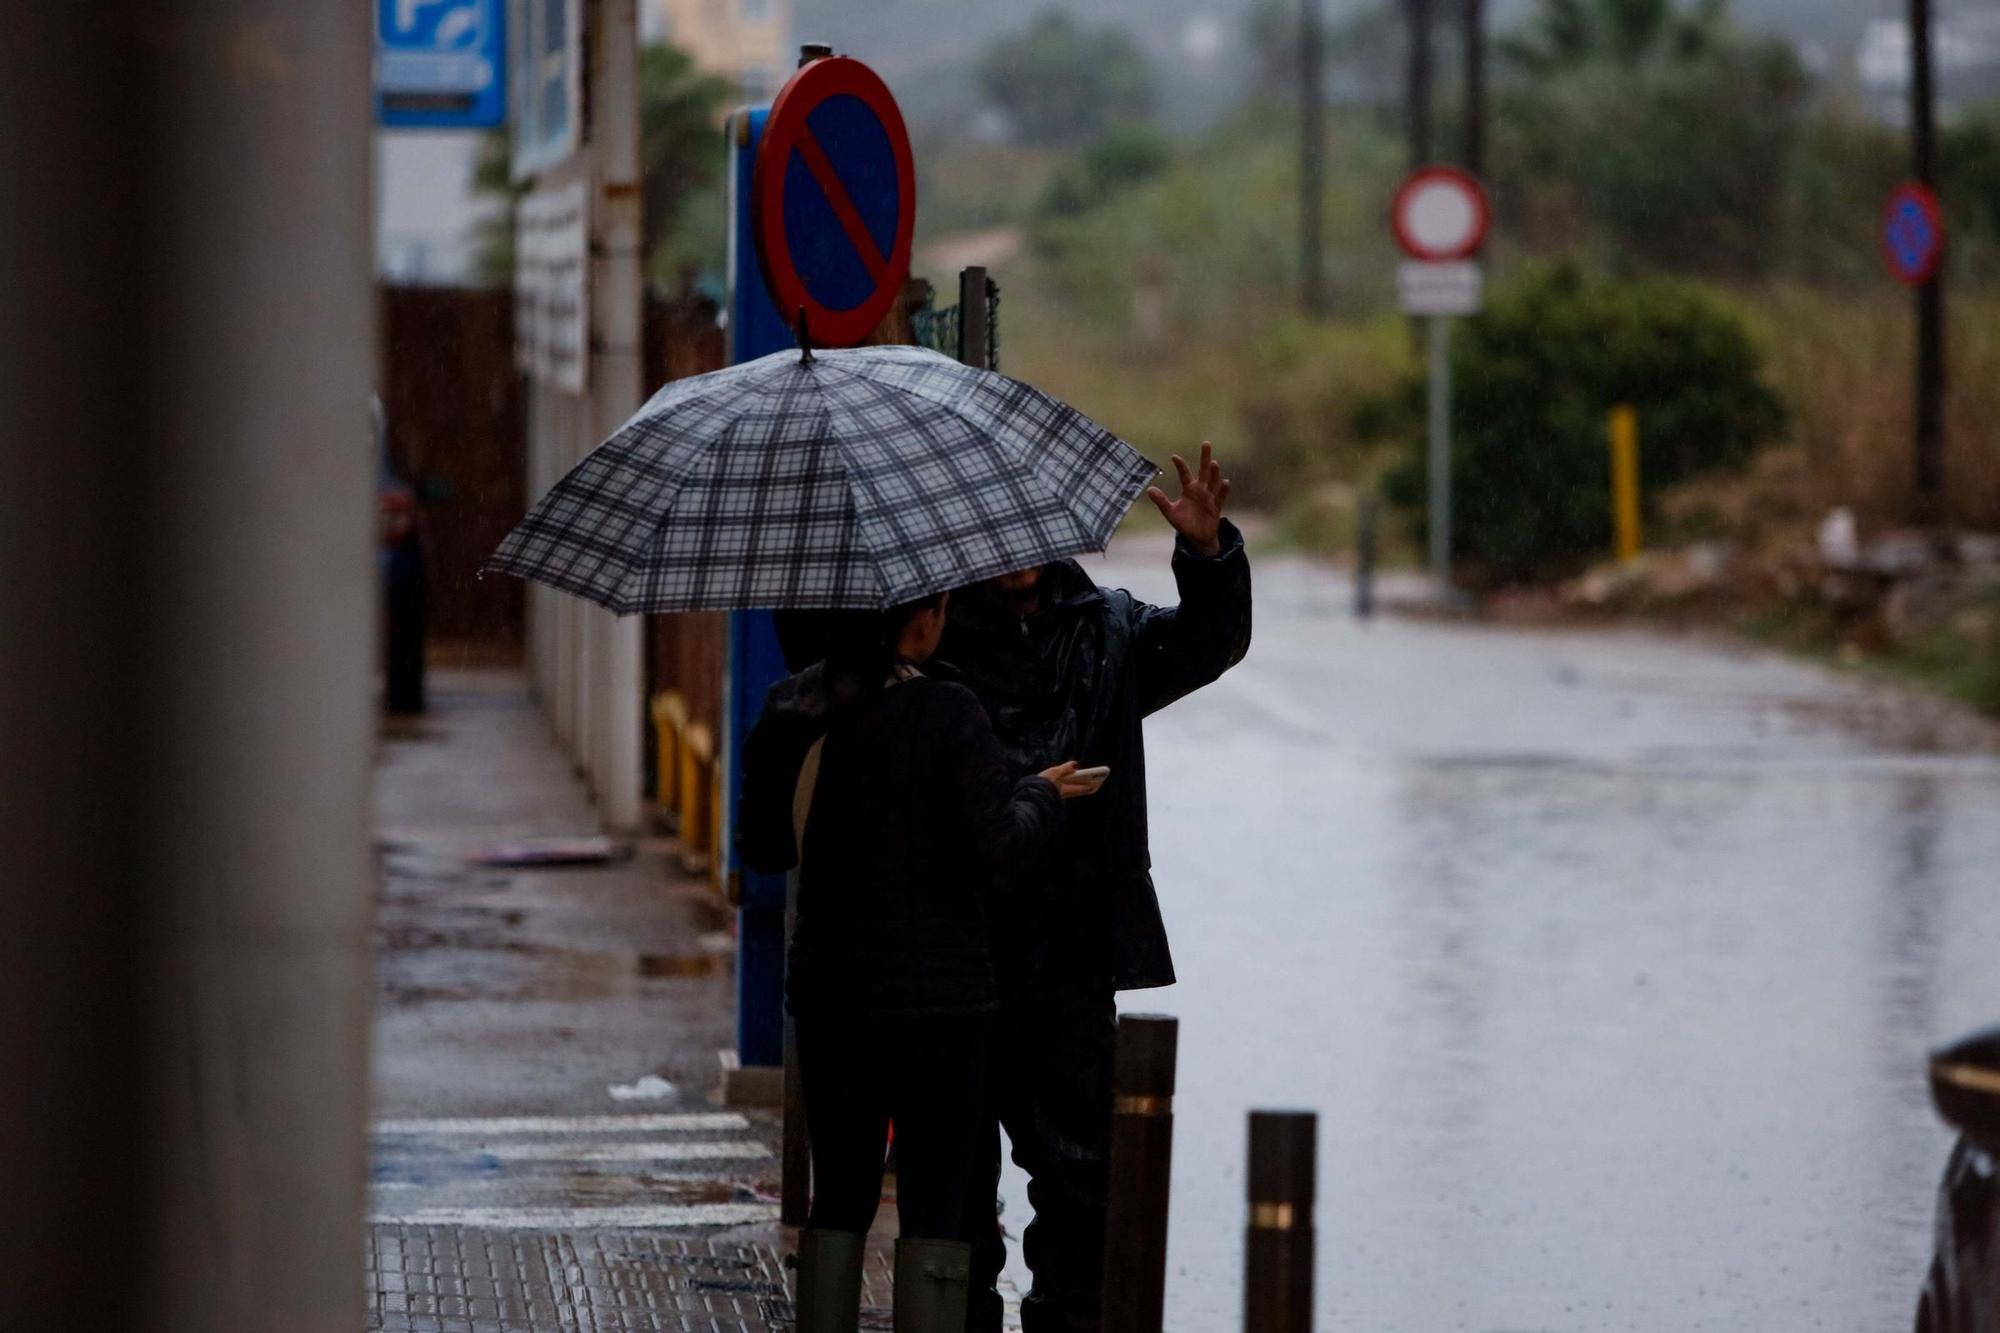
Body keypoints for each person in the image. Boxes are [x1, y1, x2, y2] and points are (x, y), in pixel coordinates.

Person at [931, 442, 1252, 1333]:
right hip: (959, 955)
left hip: (1071, 957)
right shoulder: (933, 634)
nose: (1017, 543)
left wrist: (1208, 554)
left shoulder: (1104, 627)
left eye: (1029, 520)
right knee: (955, 1198)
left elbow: (1208, 642)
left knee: (1082, 1185)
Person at [739, 593, 1101, 1333]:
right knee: (936, 1203)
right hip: (942, 1010)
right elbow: (997, 850)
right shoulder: (950, 712)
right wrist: (1038, 792)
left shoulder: (791, 710)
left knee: (838, 1195)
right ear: (927, 617)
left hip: (833, 1000)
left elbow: (765, 850)